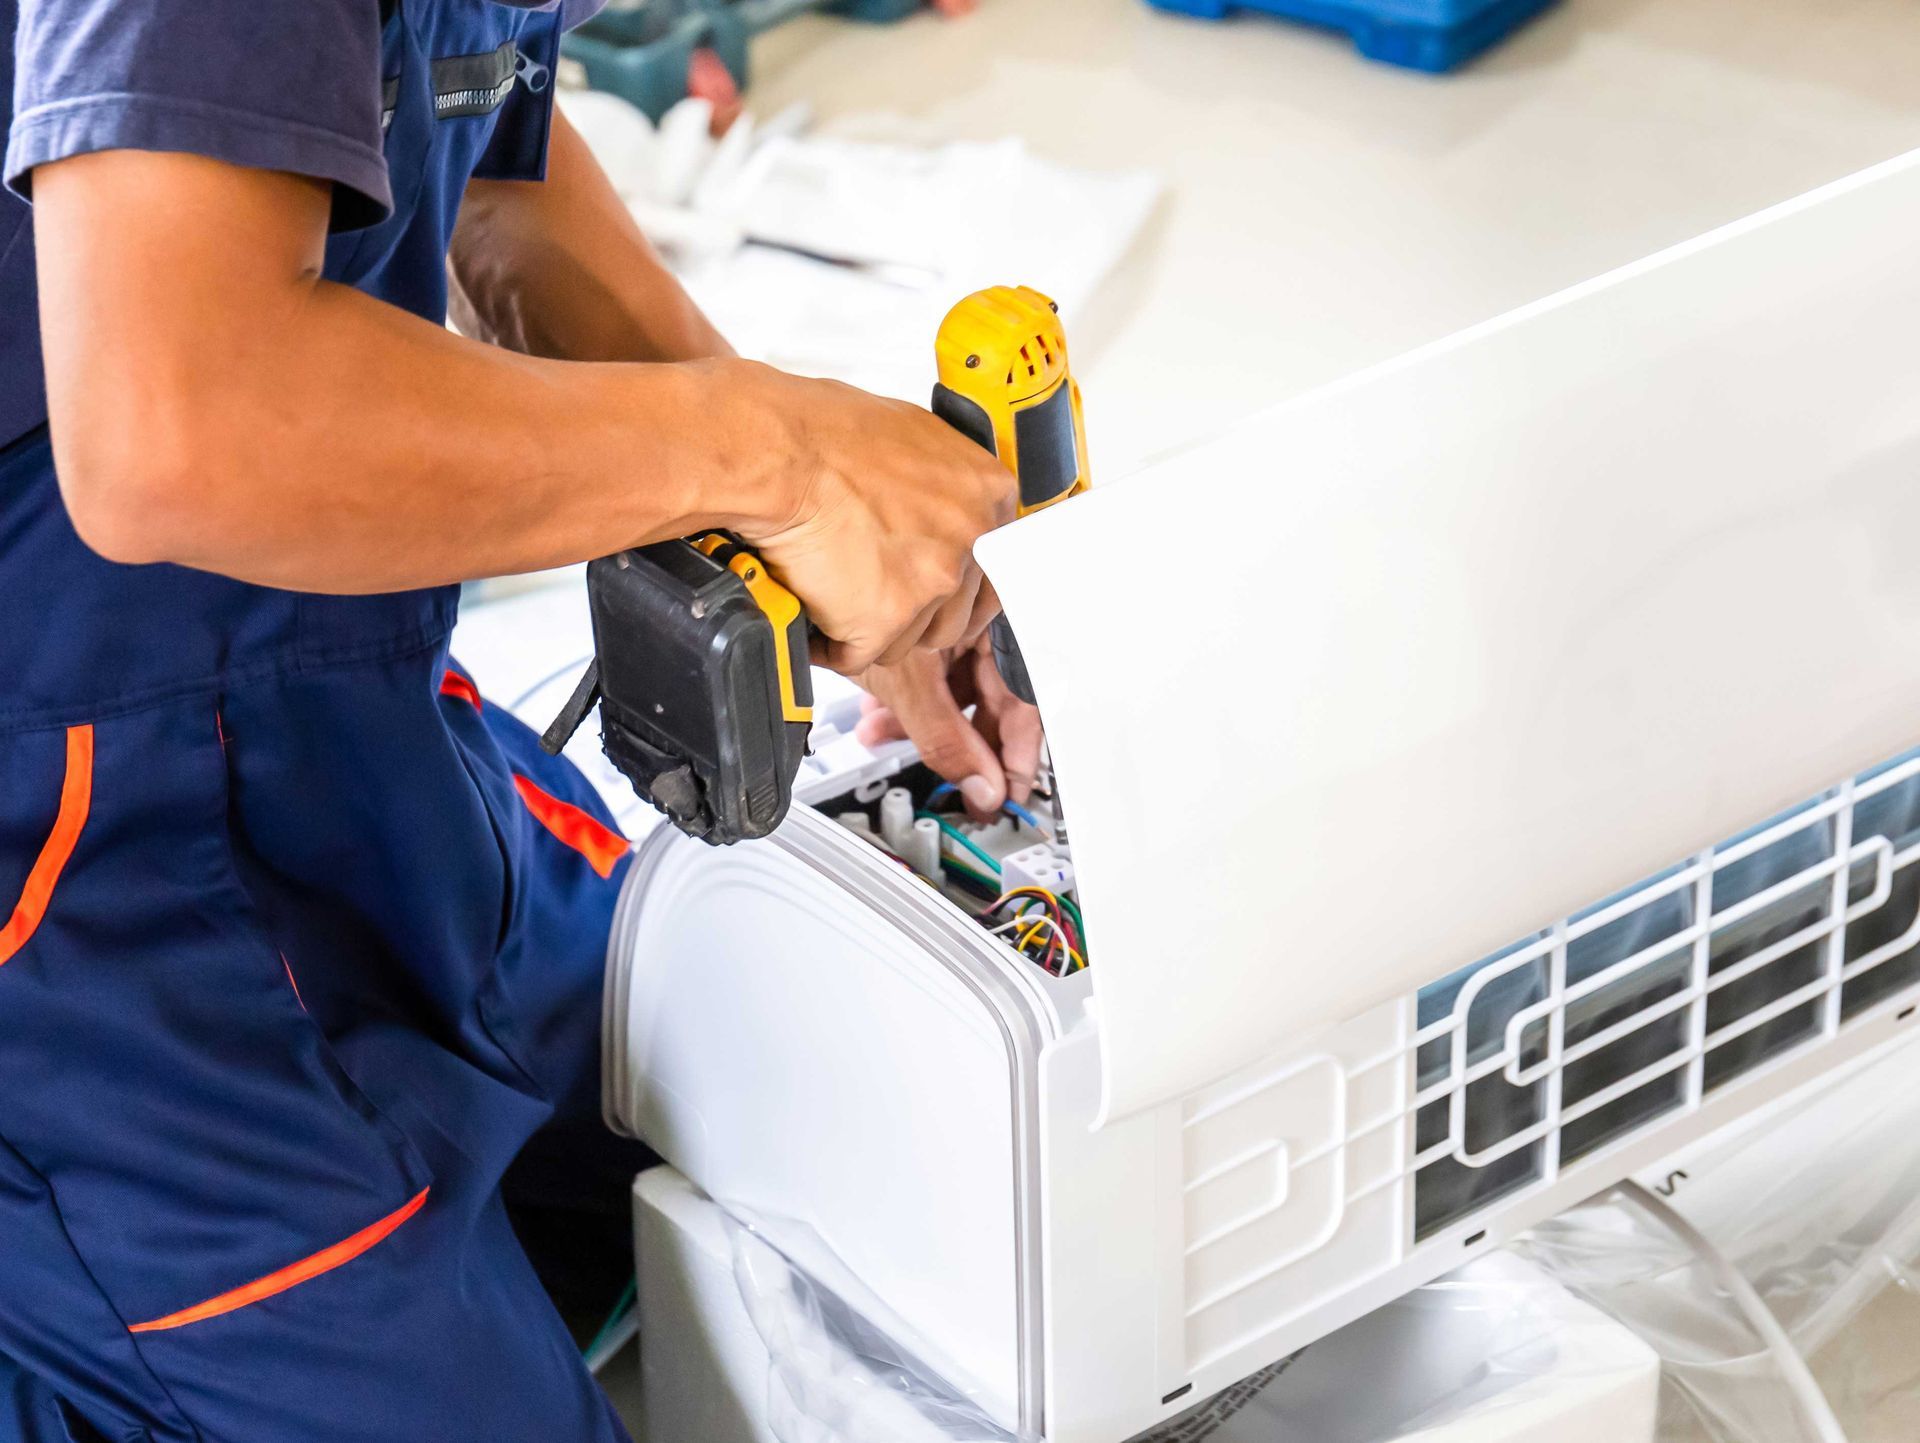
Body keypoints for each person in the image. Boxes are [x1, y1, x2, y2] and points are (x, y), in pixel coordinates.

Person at [0, 1, 1041, 1438]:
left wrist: (839, 541)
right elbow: (177, 419)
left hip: (329, 719)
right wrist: (775, 455)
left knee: (788, 1123)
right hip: (61, 906)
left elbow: (489, 163)